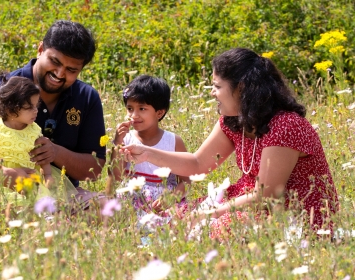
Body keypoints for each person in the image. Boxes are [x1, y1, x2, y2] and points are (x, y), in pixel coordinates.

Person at [120, 48, 338, 239]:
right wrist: (147, 153)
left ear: (241, 88)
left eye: (217, 86)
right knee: (176, 219)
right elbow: (197, 164)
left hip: (293, 216)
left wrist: (209, 214)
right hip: (249, 204)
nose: (212, 92)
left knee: (205, 229)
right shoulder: (233, 120)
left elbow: (266, 197)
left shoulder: (286, 125)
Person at [0, 20, 106, 216]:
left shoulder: (86, 98)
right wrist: (4, 175)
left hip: (57, 191)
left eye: (71, 70)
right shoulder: (5, 90)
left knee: (109, 209)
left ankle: (55, 221)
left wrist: (54, 153)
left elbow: (94, 168)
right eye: (55, 61)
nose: (59, 74)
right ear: (40, 49)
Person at [0, 75, 78, 212]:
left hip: (27, 177)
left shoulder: (34, 130)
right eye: (29, 107)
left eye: (36, 105)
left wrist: (48, 175)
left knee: (34, 205)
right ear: (11, 110)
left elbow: (42, 154)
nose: (36, 110)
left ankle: (32, 223)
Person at [110, 75, 189, 221]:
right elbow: (116, 177)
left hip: (163, 204)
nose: (134, 115)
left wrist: (172, 198)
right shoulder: (126, 139)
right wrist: (117, 143)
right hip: (132, 201)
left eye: (142, 108)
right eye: (129, 108)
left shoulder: (173, 141)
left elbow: (186, 181)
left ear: (160, 113)